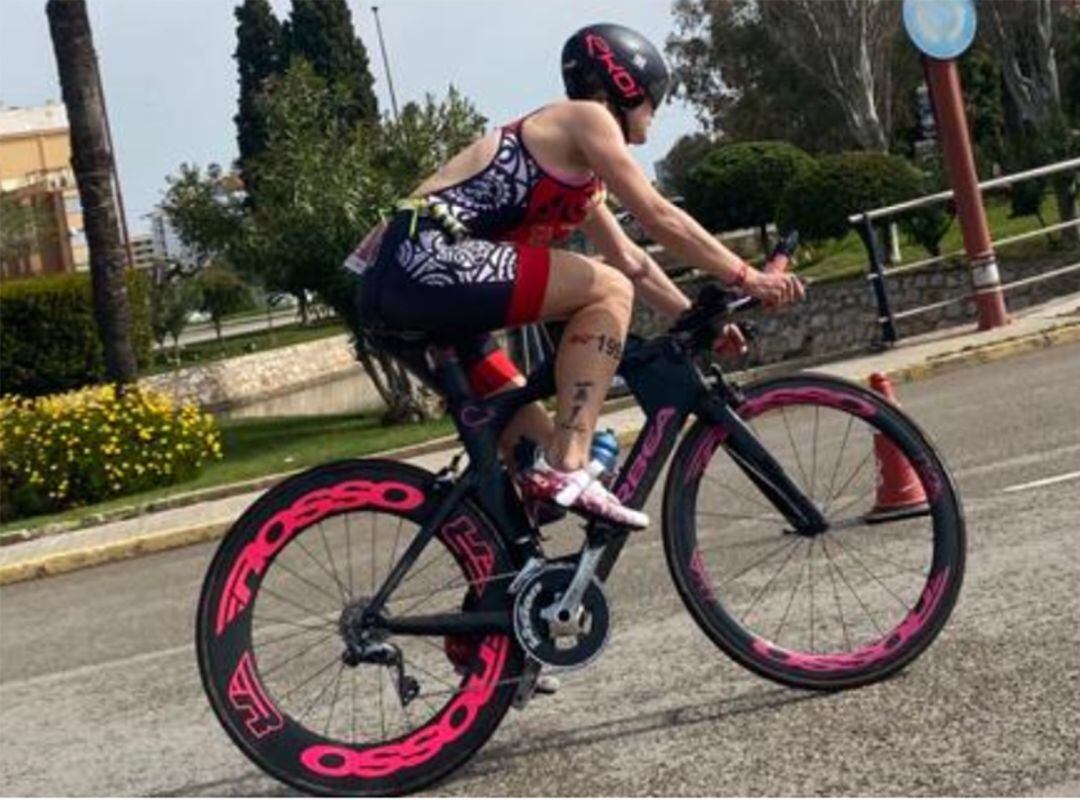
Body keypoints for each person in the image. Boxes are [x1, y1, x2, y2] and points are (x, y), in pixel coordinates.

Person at [345, 22, 804, 531]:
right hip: (424, 259)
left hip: (401, 285)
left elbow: (635, 259)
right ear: (625, 86)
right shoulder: (586, 117)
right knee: (606, 292)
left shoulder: (576, 177)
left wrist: (700, 320)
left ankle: (509, 582)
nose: (656, 112)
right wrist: (747, 278)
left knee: (533, 462)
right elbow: (657, 216)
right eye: (655, 99)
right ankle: (569, 464)